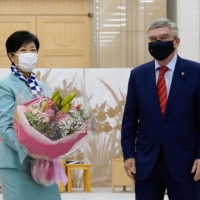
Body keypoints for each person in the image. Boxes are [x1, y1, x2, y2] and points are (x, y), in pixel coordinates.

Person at [121, 18, 200, 200]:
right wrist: (128, 155)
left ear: (176, 41)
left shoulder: (195, 72)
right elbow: (129, 120)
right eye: (153, 39)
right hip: (147, 164)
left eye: (164, 38)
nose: (157, 43)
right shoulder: (138, 75)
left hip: (186, 164)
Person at [0, 30, 62, 200]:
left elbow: (53, 121)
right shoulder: (5, 85)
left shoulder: (43, 86)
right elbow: (4, 127)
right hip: (16, 163)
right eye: (23, 50)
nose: (29, 54)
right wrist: (29, 150)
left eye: (33, 50)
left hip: (44, 163)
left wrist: (57, 142)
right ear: (12, 56)